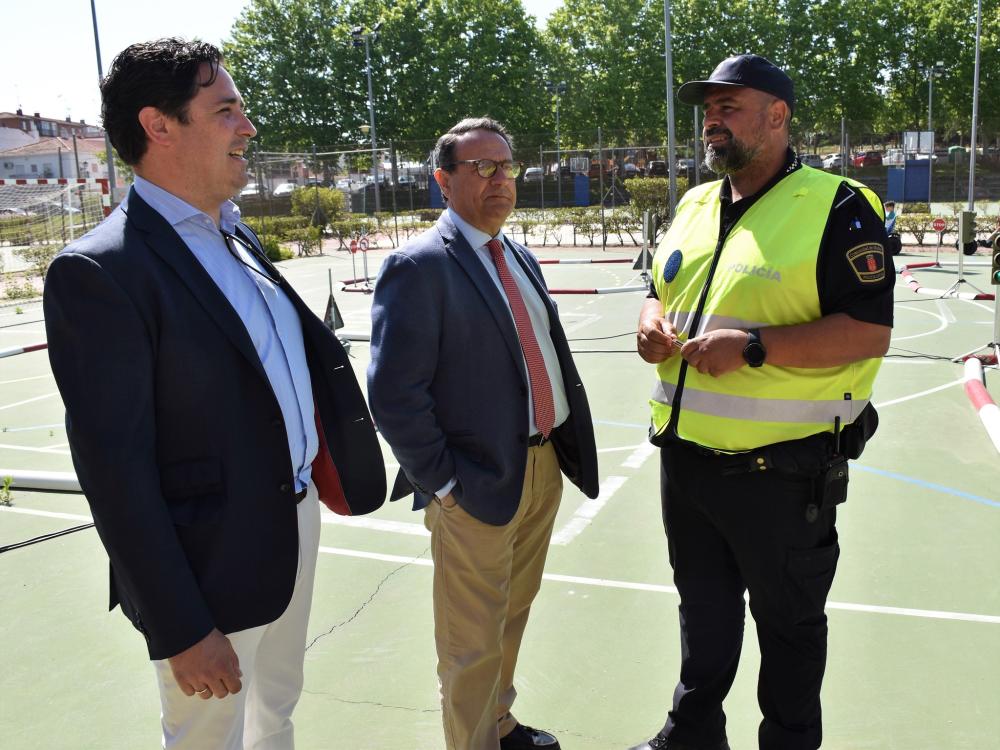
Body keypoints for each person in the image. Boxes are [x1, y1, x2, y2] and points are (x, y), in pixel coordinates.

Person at [43, 38, 385, 749]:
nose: (247, 128)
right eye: (226, 110)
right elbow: (115, 474)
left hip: (292, 523)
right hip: (208, 561)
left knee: (275, 713)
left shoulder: (237, 236)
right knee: (207, 736)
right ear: (159, 126)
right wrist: (181, 626)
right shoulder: (101, 272)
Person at [630, 55, 893, 750]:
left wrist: (752, 347)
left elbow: (869, 331)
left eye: (729, 107)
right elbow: (661, 287)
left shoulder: (838, 206)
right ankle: (689, 739)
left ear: (778, 116)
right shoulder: (693, 204)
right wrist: (650, 321)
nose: (711, 121)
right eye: (707, 110)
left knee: (789, 631)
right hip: (685, 464)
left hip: (782, 474)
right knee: (703, 618)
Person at [367, 117, 599, 750]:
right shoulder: (417, 267)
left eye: (507, 166)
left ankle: (499, 723)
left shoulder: (515, 253)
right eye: (482, 168)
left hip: (540, 466)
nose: (501, 180)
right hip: (473, 483)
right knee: (470, 644)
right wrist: (443, 483)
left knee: (511, 620)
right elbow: (393, 393)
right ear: (444, 181)